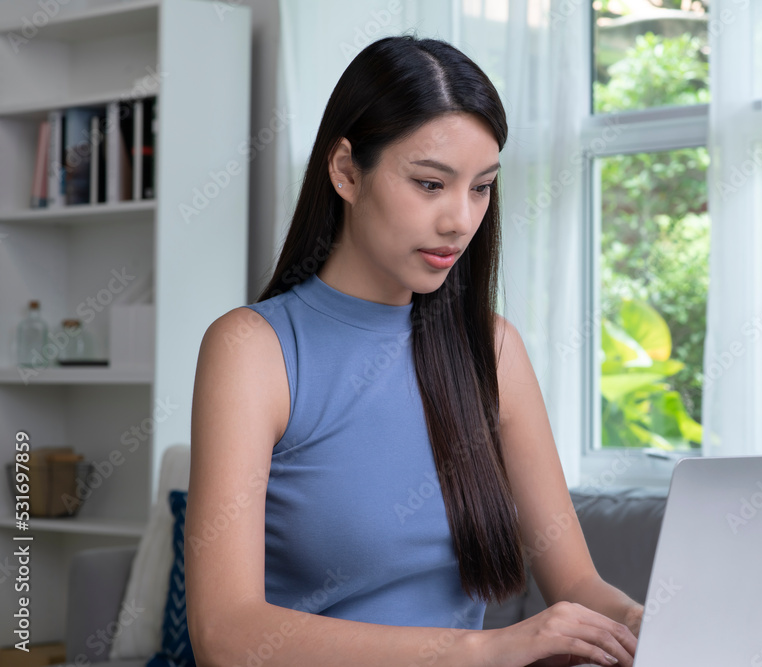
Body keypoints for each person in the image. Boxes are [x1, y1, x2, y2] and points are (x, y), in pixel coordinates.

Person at [185, 34, 644, 667]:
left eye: (481, 188)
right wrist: (483, 650)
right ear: (346, 171)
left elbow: (578, 585)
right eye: (431, 184)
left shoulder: (494, 349)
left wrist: (640, 621)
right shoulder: (253, 350)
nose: (460, 219)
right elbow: (225, 634)